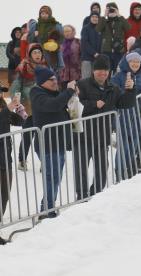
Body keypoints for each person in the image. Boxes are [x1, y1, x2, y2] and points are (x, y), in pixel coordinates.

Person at [74, 55, 136, 200]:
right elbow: (74, 105)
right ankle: (82, 197)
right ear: (93, 71)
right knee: (81, 169)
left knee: (102, 170)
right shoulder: (82, 84)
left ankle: (94, 194)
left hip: (102, 135)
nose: (102, 73)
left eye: (105, 70)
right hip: (83, 135)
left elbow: (125, 104)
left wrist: (131, 90)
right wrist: (93, 104)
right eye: (99, 70)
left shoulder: (112, 87)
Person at [31, 66, 77, 218]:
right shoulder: (37, 93)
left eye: (55, 79)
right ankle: (47, 209)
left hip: (59, 142)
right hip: (48, 144)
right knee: (52, 176)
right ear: (42, 82)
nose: (55, 82)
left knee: (56, 176)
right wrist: (68, 92)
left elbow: (62, 104)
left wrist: (73, 96)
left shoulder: (54, 93)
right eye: (51, 80)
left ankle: (48, 206)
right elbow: (53, 105)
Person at [111, 52, 141, 179]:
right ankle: (119, 172)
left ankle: (126, 170)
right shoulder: (118, 76)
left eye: (138, 62)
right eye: (132, 61)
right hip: (124, 115)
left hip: (138, 117)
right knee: (123, 146)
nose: (135, 64)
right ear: (126, 62)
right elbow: (113, 92)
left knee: (133, 146)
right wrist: (126, 90)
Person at [11, 43, 48, 171]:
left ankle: (44, 162)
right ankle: (22, 160)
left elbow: (53, 84)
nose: (38, 55)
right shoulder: (23, 67)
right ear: (30, 54)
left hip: (43, 107)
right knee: (28, 135)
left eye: (39, 52)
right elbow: (15, 87)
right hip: (28, 107)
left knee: (42, 136)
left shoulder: (46, 66)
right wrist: (17, 103)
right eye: (35, 52)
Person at [0, 86, 24, 245]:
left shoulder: (2, 104)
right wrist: (6, 112)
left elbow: (19, 121)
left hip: (4, 157)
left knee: (4, 195)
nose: (1, 94)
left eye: (1, 91)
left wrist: (18, 111)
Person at [96, 2, 131, 73]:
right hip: (106, 51)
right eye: (109, 9)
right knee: (106, 71)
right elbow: (97, 29)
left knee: (118, 71)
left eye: (113, 9)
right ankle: (106, 84)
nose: (111, 11)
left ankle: (116, 84)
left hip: (119, 51)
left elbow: (128, 27)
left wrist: (119, 15)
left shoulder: (120, 21)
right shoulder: (104, 21)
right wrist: (104, 15)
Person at [35, 5, 64, 74]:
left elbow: (61, 37)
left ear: (49, 14)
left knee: (53, 70)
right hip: (40, 51)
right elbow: (33, 39)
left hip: (52, 51)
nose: (44, 15)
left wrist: (55, 44)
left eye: (46, 13)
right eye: (42, 13)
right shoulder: (37, 25)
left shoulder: (55, 24)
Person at [81, 11, 102, 79]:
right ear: (90, 18)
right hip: (87, 58)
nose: (94, 18)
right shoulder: (85, 28)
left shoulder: (101, 29)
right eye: (93, 17)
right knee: (86, 79)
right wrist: (94, 53)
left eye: (96, 17)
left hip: (98, 58)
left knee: (97, 79)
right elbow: (84, 43)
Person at [59, 25, 81, 90]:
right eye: (65, 31)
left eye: (68, 31)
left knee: (76, 94)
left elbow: (82, 55)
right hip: (63, 74)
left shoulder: (78, 42)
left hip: (76, 73)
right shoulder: (59, 43)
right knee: (64, 94)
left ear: (73, 32)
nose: (67, 33)